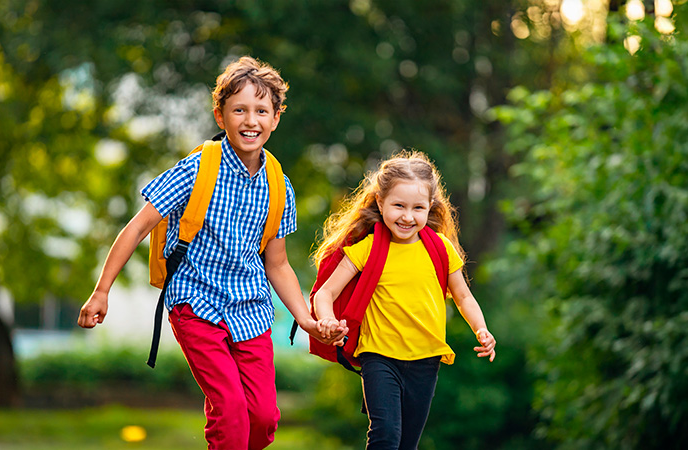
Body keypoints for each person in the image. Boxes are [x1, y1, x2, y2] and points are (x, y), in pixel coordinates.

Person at [77, 56, 347, 450]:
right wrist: (102, 291)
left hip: (251, 310)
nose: (250, 120)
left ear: (276, 119)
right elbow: (136, 228)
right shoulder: (196, 170)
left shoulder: (279, 186)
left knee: (263, 419)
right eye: (239, 110)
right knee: (231, 411)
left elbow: (277, 264)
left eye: (261, 111)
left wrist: (306, 319)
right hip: (196, 302)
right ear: (220, 116)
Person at [311, 150, 496, 450]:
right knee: (385, 435)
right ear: (380, 202)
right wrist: (328, 319)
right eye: (398, 206)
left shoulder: (441, 249)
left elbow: (463, 296)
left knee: (407, 444)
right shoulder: (368, 248)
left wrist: (481, 329)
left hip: (426, 360)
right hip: (378, 357)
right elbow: (325, 293)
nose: (408, 217)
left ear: (430, 206)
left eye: (418, 208)